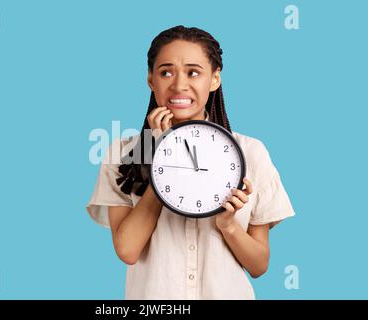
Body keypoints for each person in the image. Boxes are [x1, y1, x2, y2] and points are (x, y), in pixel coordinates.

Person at [86, 25, 295, 299]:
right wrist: (163, 157)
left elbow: (259, 265)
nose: (179, 85)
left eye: (193, 72)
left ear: (214, 79)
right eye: (166, 72)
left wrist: (229, 225)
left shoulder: (250, 152)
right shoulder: (123, 153)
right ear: (151, 79)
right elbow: (128, 249)